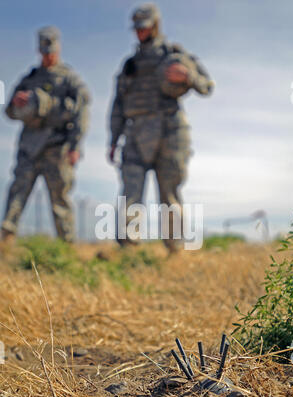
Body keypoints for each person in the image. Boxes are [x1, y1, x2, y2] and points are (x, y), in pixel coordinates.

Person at [108, 3, 214, 252]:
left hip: (170, 130)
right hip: (135, 133)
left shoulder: (173, 54)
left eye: (144, 28)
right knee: (130, 192)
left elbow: (206, 85)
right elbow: (117, 106)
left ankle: (175, 250)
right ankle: (128, 249)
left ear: (155, 26)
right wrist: (113, 140)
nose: (139, 33)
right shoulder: (129, 65)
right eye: (136, 29)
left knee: (169, 193)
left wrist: (188, 76)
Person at [1, 26, 90, 243]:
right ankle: (5, 243)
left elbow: (82, 112)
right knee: (17, 193)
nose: (48, 55)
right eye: (44, 51)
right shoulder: (29, 79)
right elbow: (9, 112)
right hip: (29, 147)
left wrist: (75, 146)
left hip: (57, 148)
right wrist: (16, 104)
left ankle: (65, 247)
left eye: (51, 50)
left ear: (57, 49)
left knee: (60, 199)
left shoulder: (69, 79)